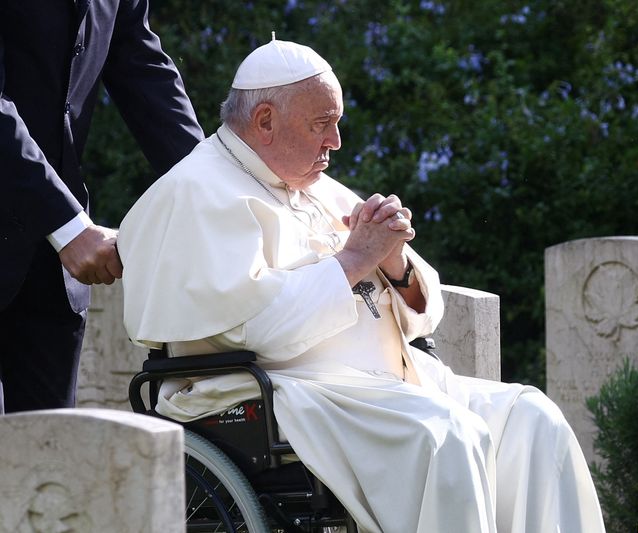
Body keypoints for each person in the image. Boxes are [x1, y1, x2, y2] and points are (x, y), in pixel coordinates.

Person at [118, 38, 605, 533]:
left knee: (532, 418)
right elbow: (255, 327)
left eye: (336, 122)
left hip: (385, 383)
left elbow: (423, 314)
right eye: (321, 124)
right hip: (281, 395)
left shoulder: (316, 185)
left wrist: (394, 262)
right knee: (446, 436)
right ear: (264, 121)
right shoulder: (194, 191)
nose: (336, 141)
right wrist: (354, 259)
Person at [0, 1, 204, 413]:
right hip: (56, 228)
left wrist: (213, 190)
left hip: (49, 275)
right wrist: (67, 226)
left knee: (49, 464)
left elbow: (144, 69)